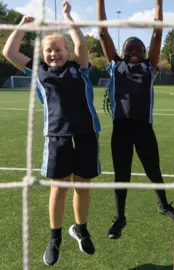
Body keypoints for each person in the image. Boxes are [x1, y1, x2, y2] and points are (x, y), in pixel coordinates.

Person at [3, 1, 100, 265]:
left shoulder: (79, 67)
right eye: (49, 50)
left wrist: (69, 18)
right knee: (59, 188)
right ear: (42, 54)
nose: (53, 54)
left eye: (58, 49)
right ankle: (55, 236)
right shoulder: (39, 70)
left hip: (86, 135)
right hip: (56, 136)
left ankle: (80, 229)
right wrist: (22, 26)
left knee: (82, 185)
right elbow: (9, 51)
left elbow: (80, 44)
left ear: (67, 51)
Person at [97, 0, 174, 240]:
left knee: (154, 169)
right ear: (123, 53)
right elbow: (102, 32)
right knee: (122, 174)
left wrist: (158, 5)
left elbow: (157, 33)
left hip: (144, 128)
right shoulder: (115, 65)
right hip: (121, 129)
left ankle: (163, 205)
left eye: (138, 50)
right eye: (129, 50)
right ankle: (120, 217)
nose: (134, 53)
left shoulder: (149, 67)